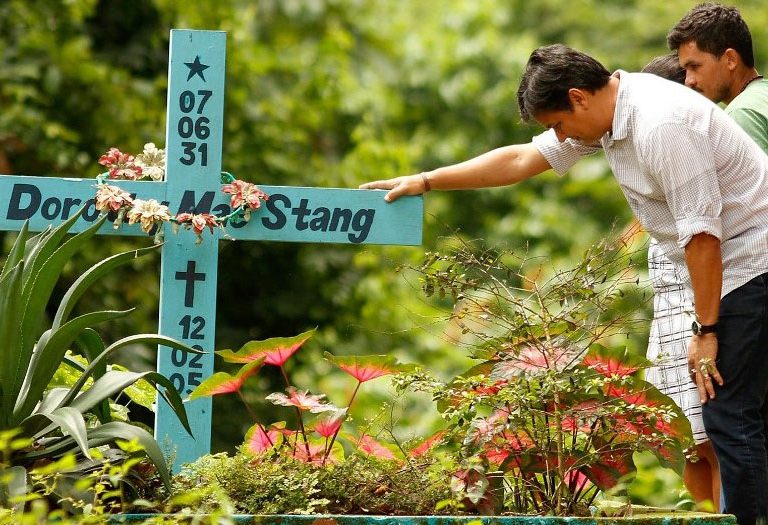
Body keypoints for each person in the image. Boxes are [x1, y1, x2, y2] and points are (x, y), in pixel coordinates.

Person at [361, 44, 768, 525]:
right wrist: (427, 181)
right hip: (726, 268)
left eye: (556, 124)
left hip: (749, 266)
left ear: (578, 98)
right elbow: (519, 161)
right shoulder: (612, 113)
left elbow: (703, 236)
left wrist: (705, 330)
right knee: (727, 418)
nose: (559, 136)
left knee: (730, 417)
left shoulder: (661, 124)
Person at [641, 52, 719, 512]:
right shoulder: (650, 146)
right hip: (667, 314)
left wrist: (702, 329)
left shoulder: (695, 142)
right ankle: (704, 518)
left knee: (714, 439)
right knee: (686, 443)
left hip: (698, 312)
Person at [668, 2, 767, 152]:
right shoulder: (762, 95)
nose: (689, 81)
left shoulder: (741, 113)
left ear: (730, 60)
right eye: (685, 70)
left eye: (695, 67)